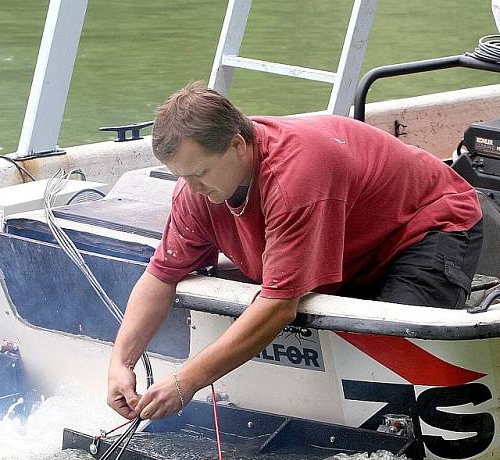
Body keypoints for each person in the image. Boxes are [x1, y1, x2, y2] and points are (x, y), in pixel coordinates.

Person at [107, 82, 483, 422]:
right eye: (181, 177)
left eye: (200, 173)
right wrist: (120, 361)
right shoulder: (196, 192)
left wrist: (186, 381)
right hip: (353, 240)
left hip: (427, 226)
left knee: (388, 357)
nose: (192, 188)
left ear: (238, 145)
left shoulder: (294, 178)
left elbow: (279, 305)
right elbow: (160, 276)